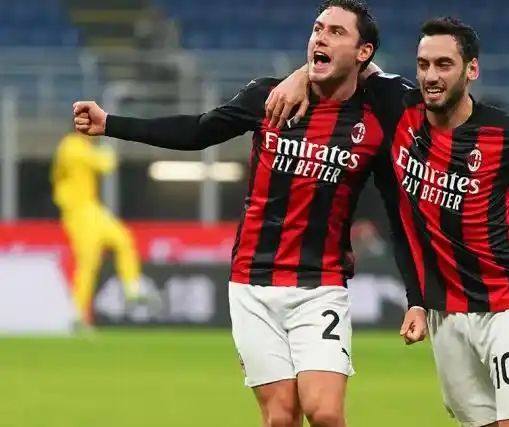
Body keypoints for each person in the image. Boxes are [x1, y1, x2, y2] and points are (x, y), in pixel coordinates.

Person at [266, 16, 509, 427]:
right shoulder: (399, 107)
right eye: (423, 64)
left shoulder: (508, 135)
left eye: (444, 64)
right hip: (446, 313)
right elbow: (346, 58)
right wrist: (299, 75)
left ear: (472, 69)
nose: (431, 76)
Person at [72, 2, 410, 426]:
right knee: (280, 418)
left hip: (320, 284)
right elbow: (198, 130)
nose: (320, 37)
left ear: (364, 52)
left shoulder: (377, 116)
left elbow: (399, 207)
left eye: (336, 32)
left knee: (324, 413)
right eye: (317, 28)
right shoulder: (270, 98)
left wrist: (416, 297)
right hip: (252, 281)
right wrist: (110, 123)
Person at [51, 132, 145, 327]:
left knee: (123, 239)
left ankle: (132, 287)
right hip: (77, 212)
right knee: (88, 261)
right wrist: (108, 151)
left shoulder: (76, 146)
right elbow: (104, 164)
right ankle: (77, 313)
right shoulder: (72, 145)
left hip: (91, 208)